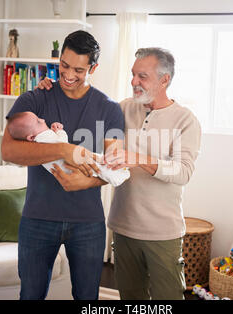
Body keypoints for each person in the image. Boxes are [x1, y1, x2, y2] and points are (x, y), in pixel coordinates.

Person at [37, 47, 202, 300]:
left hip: (162, 233)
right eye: (133, 74)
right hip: (123, 229)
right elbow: (81, 118)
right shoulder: (122, 108)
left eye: (142, 76)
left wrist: (138, 159)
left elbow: (184, 171)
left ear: (164, 80)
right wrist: (53, 90)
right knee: (131, 298)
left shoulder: (185, 120)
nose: (134, 81)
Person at [1, 30, 125, 300]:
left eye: (79, 70)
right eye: (64, 66)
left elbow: (114, 163)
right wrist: (63, 149)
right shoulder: (35, 99)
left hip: (87, 222)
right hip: (37, 218)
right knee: (31, 295)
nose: (68, 75)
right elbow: (9, 150)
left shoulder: (109, 108)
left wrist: (88, 181)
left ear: (94, 67)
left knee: (87, 298)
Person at [6, 111, 130, 187]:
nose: (43, 120)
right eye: (39, 121)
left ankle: (118, 172)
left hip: (65, 169)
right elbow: (63, 144)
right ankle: (119, 176)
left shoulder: (39, 140)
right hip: (69, 166)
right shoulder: (44, 137)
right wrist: (60, 131)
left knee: (98, 165)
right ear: (31, 137)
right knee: (98, 166)